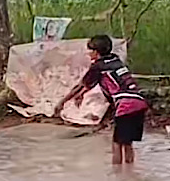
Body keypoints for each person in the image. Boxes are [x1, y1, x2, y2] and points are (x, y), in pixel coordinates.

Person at [54, 35, 150, 172]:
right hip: (139, 102)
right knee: (127, 143)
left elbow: (80, 85)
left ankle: (117, 177)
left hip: (126, 105)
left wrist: (62, 102)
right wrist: (82, 94)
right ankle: (130, 174)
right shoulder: (115, 60)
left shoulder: (98, 66)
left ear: (96, 52)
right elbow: (93, 84)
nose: (88, 53)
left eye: (90, 50)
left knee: (116, 144)